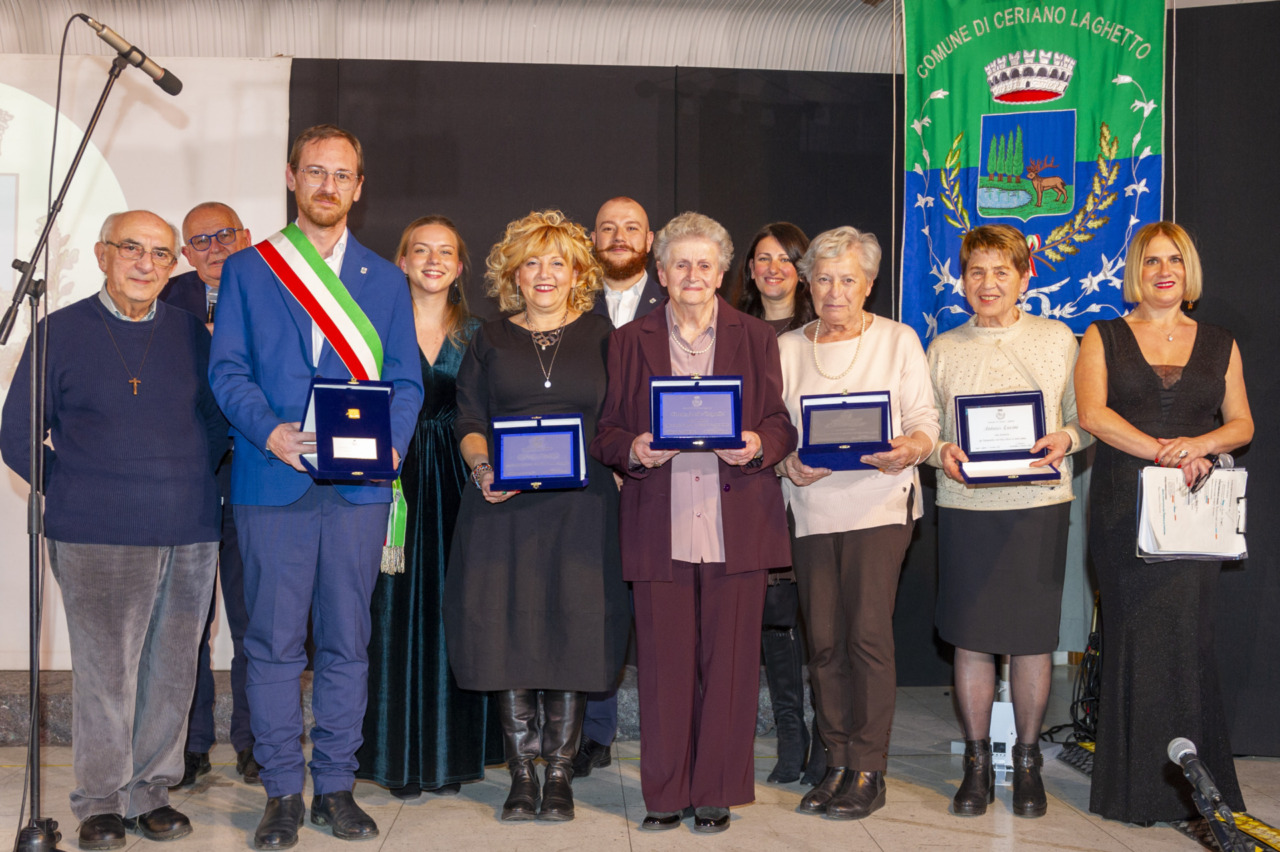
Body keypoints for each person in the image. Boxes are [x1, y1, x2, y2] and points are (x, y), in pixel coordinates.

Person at [209, 124, 423, 850]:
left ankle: (334, 785)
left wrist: (388, 447)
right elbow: (227, 371)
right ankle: (279, 793)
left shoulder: (386, 281)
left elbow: (405, 381)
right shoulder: (249, 269)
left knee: (346, 643)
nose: (328, 185)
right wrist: (268, 430)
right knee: (270, 646)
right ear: (292, 177)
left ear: (359, 188)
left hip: (358, 493)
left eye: (343, 175)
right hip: (273, 483)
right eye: (315, 172)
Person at [1, 210, 225, 850]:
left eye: (160, 254)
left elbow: (214, 424)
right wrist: (78, 483)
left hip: (188, 528)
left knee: (174, 669)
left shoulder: (191, 334)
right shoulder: (60, 331)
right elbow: (17, 435)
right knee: (107, 675)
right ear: (102, 254)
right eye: (132, 248)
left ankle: (150, 792)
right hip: (95, 532)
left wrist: (181, 478)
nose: (146, 264)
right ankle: (99, 802)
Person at [591, 212, 797, 834]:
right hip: (662, 518)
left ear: (721, 273)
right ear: (661, 272)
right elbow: (606, 433)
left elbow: (781, 424)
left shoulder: (756, 337)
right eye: (680, 263)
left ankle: (716, 790)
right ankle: (664, 792)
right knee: (663, 666)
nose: (692, 274)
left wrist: (759, 442)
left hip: (737, 521)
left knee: (732, 664)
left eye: (705, 264)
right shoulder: (630, 342)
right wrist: (636, 449)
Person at [443, 209, 629, 824]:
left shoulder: (606, 337)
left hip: (582, 513)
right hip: (504, 509)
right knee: (509, 629)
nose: (543, 274)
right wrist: (482, 468)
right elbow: (468, 419)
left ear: (578, 271)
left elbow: (620, 421)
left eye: (557, 262)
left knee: (574, 632)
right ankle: (521, 774)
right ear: (513, 274)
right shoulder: (488, 338)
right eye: (531, 262)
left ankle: (559, 774)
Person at [1075, 221, 1253, 824]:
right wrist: (1162, 450)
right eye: (1151, 261)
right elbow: (1094, 416)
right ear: (1136, 272)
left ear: (1189, 270)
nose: (1163, 270)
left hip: (1195, 511)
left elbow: (1242, 425)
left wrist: (1198, 444)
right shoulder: (1103, 336)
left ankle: (1199, 787)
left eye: (1174, 259)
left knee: (1188, 639)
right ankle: (1135, 791)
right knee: (1135, 639)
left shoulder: (1220, 341)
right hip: (1125, 508)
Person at [926, 224, 1092, 818]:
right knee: (970, 639)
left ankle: (1027, 765)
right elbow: (926, 431)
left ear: (1026, 278)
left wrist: (1065, 437)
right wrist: (937, 451)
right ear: (962, 279)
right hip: (967, 509)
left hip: (1038, 511)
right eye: (976, 271)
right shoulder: (942, 348)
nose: (988, 283)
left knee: (1030, 643)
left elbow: (1087, 419)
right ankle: (976, 767)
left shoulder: (1058, 341)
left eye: (1002, 272)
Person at [776, 225, 939, 820]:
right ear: (807, 285)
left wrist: (912, 447)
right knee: (822, 641)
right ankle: (837, 762)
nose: (835, 291)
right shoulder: (788, 348)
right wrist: (785, 462)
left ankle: (870, 767)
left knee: (866, 636)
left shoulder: (899, 340)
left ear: (869, 284)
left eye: (848, 279)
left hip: (878, 504)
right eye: (823, 279)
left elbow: (926, 419)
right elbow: (775, 432)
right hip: (813, 507)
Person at [355, 216, 504, 797]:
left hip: (459, 481)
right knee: (385, 610)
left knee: (455, 611)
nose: (433, 260)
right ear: (402, 260)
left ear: (461, 267)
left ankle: (449, 755)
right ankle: (394, 756)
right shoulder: (371, 326)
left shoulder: (479, 333)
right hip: (387, 478)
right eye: (422, 250)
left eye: (446, 252)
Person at [161, 201, 260, 789]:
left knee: (257, 624)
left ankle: (254, 744)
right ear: (184, 250)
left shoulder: (278, 290)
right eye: (200, 240)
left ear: (246, 237)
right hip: (188, 487)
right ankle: (188, 745)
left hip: (255, 481)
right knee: (185, 627)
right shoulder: (161, 300)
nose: (214, 247)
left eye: (225, 235)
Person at [569, 195, 662, 781]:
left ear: (650, 241)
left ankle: (669, 732)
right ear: (592, 240)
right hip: (592, 483)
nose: (619, 237)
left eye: (631, 228)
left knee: (659, 615)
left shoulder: (682, 298)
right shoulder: (570, 305)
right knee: (596, 610)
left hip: (665, 482)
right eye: (608, 229)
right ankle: (593, 734)